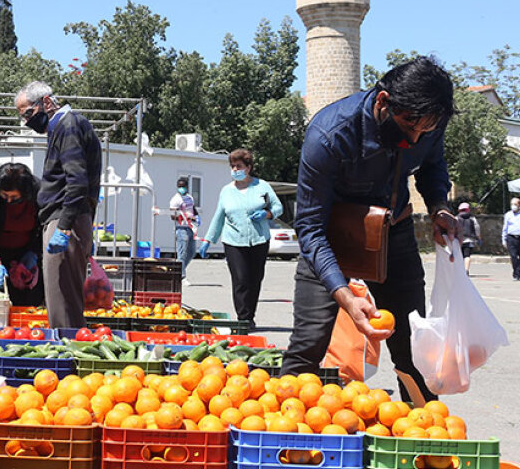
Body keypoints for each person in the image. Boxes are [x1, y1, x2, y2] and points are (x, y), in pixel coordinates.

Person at [281, 56, 458, 405]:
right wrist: (346, 297)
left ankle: (425, 426)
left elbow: (432, 165)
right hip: (330, 238)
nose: (415, 138)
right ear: (383, 102)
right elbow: (310, 227)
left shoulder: (428, 121)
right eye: (410, 127)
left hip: (393, 231)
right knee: (308, 343)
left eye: (426, 131)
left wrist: (439, 206)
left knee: (413, 344)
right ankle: (282, 424)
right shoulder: (328, 135)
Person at [15, 81, 101, 328]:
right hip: (69, 219)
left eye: (28, 113)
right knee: (62, 297)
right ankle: (68, 343)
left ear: (47, 102)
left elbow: (77, 181)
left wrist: (64, 228)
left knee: (63, 302)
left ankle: (67, 347)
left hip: (65, 219)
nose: (27, 122)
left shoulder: (68, 125)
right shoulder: (64, 126)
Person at [198, 149, 283, 325]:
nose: (235, 169)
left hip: (259, 240)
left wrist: (267, 214)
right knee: (241, 279)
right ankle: (243, 319)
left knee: (255, 279)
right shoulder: (226, 191)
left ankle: (250, 316)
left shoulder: (262, 186)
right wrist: (208, 240)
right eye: (233, 166)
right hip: (233, 241)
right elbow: (219, 216)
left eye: (239, 166)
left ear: (248, 167)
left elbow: (278, 207)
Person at [0, 163, 45, 307]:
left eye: (14, 198)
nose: (9, 201)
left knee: (27, 299)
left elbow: (44, 227)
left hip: (25, 249)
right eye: (4, 196)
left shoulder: (39, 191)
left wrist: (34, 252)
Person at [169, 177, 200, 286]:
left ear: (187, 187)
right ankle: (182, 276)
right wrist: (185, 217)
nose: (181, 188)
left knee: (191, 252)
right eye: (179, 186)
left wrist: (196, 216)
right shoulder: (175, 199)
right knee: (182, 253)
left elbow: (193, 208)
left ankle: (178, 271)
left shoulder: (189, 197)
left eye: (183, 186)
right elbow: (172, 216)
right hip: (181, 228)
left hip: (191, 227)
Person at [502, 197, 520, 281]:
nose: (513, 206)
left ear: (519, 205)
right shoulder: (508, 215)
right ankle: (516, 273)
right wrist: (504, 239)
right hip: (511, 237)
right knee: (513, 256)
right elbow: (505, 227)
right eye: (512, 204)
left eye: (515, 204)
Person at [456, 202, 482, 274]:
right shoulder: (472, 218)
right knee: (467, 255)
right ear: (468, 210)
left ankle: (459, 270)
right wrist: (479, 238)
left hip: (458, 240)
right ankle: (466, 270)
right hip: (469, 239)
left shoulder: (456, 218)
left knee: (459, 256)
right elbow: (477, 228)